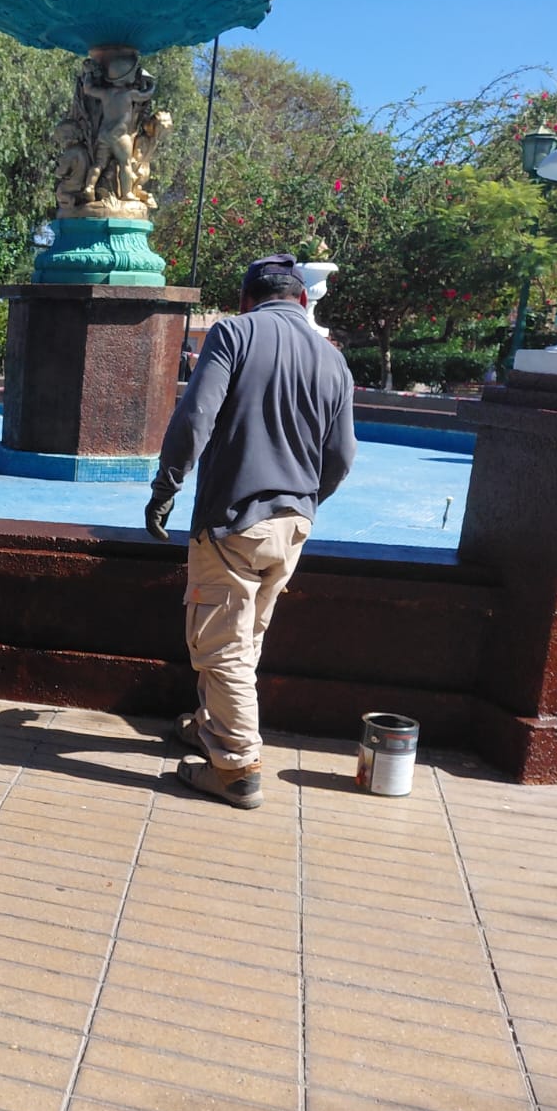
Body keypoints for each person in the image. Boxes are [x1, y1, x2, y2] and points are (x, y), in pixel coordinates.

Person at [144, 253, 357, 809]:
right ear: (303, 300)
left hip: (234, 521)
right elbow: (342, 457)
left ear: (247, 299)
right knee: (246, 636)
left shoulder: (233, 334)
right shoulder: (334, 362)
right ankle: (210, 730)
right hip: (294, 525)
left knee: (224, 647)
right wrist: (305, 504)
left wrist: (165, 488)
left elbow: (194, 419)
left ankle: (236, 768)